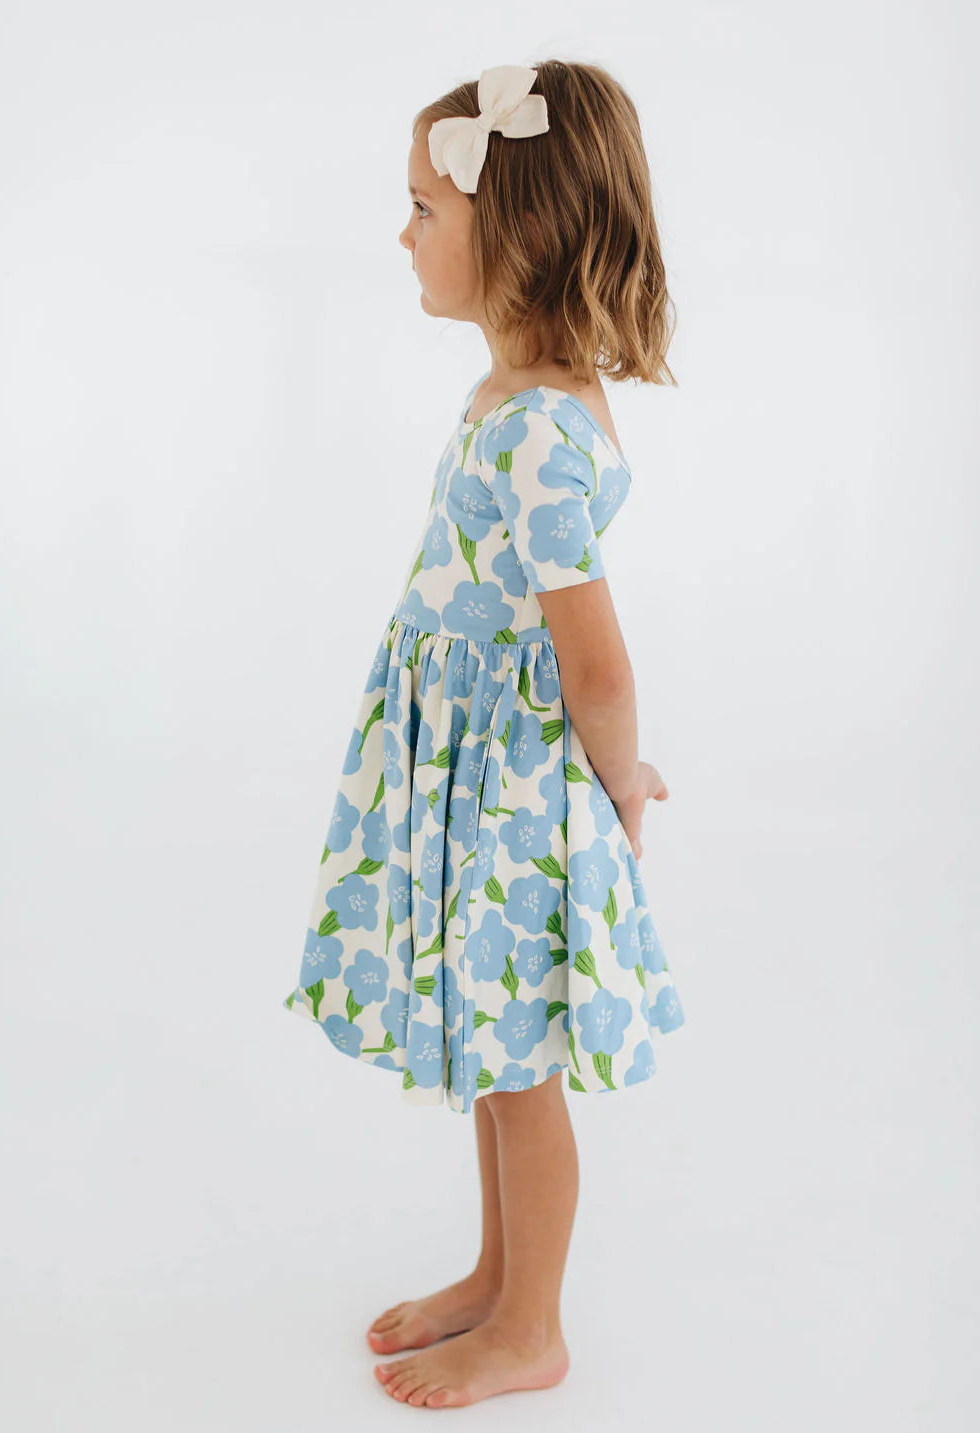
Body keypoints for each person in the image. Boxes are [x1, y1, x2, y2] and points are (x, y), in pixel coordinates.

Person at [282, 59, 687, 1408]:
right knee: (494, 1057)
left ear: (511, 230)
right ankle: (497, 1277)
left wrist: (617, 789)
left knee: (520, 1080)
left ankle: (532, 1328)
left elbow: (596, 658)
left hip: (516, 802)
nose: (403, 234)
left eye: (423, 207)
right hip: (482, 779)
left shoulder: (536, 437)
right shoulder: (516, 401)